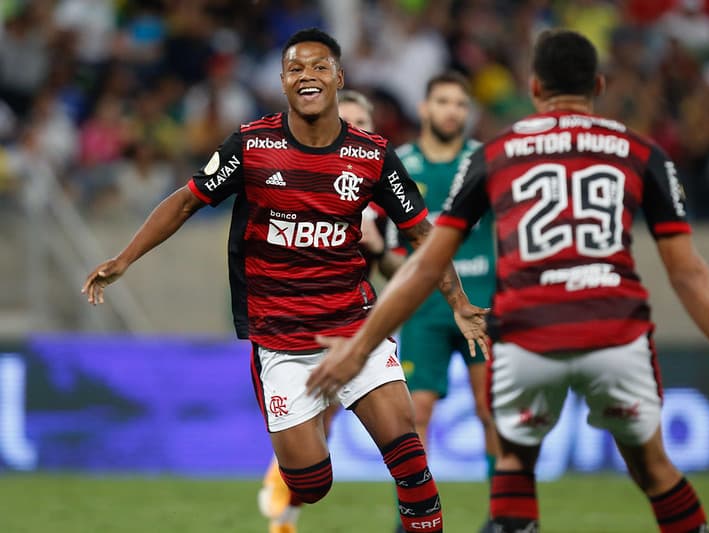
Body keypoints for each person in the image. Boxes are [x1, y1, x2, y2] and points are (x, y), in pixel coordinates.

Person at [308, 29, 709, 533]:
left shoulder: (495, 154)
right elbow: (688, 272)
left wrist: (360, 346)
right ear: (599, 85)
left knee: (514, 463)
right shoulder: (641, 152)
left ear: (535, 87)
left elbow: (427, 264)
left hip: (529, 335)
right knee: (654, 469)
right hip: (616, 332)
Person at [83, 28, 489, 533]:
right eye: (296, 68)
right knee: (311, 484)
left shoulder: (373, 156)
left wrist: (458, 302)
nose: (307, 76)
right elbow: (186, 200)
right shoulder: (252, 145)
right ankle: (296, 468)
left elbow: (425, 237)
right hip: (280, 339)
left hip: (353, 329)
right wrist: (125, 259)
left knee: (408, 458)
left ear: (339, 77)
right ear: (282, 81)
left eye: (319, 67)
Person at [257, 88, 397, 533]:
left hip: (360, 325)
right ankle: (285, 488)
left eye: (361, 123)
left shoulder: (381, 193)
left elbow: (401, 270)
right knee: (317, 420)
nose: (352, 131)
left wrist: (380, 248)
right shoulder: (303, 181)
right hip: (299, 327)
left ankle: (286, 504)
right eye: (346, 121)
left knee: (348, 419)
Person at [386, 71, 499, 532]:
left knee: (490, 410)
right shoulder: (401, 164)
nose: (452, 111)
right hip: (424, 310)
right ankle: (414, 517)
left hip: (484, 305)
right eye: (443, 101)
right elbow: (393, 249)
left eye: (460, 104)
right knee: (416, 414)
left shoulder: (486, 161)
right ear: (424, 108)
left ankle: (502, 515)